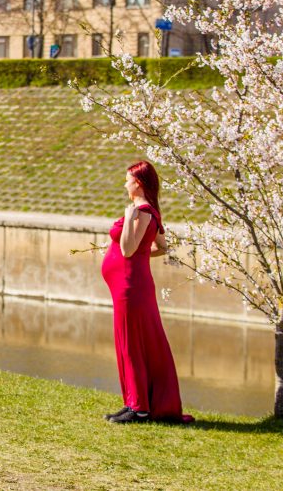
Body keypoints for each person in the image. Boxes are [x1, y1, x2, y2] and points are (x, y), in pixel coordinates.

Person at [100, 161, 192, 423]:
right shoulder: (148, 212)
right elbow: (161, 247)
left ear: (138, 182)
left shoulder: (142, 212)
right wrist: (140, 253)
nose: (124, 183)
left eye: (127, 179)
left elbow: (128, 249)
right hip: (127, 285)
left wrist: (129, 220)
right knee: (129, 343)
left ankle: (139, 408)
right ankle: (133, 401)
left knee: (133, 345)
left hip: (132, 287)